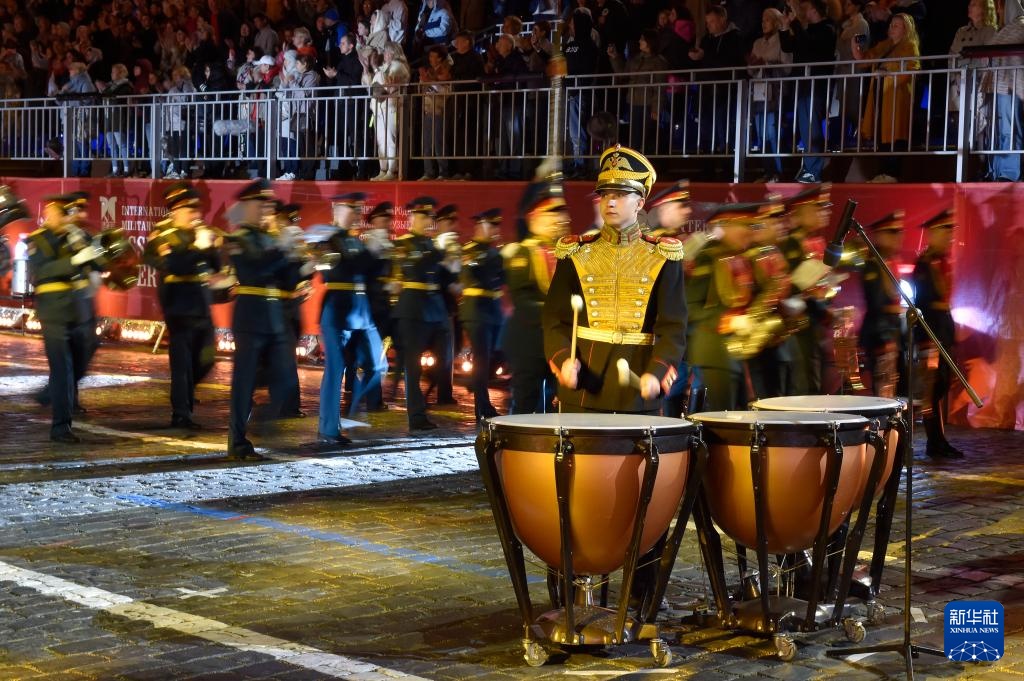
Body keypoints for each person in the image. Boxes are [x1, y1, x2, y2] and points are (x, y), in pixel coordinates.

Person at [543, 145, 687, 413]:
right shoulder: (575, 252)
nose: (609, 202)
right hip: (583, 388)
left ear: (640, 203)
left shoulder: (663, 256)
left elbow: (673, 328)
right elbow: (555, 321)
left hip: (639, 388)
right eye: (605, 194)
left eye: (620, 195)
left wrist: (657, 372)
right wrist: (564, 361)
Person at [225, 179, 302, 460]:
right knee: (244, 382)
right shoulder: (238, 239)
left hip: (274, 316)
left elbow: (286, 279)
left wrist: (301, 263)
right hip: (250, 315)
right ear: (246, 205)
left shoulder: (271, 238)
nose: (265, 209)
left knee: (285, 378)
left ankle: (262, 423)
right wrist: (282, 251)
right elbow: (254, 271)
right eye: (260, 204)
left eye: (268, 205)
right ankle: (237, 441)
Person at [143, 182, 220, 429]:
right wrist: (198, 247)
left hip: (201, 302)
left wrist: (211, 247)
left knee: (207, 358)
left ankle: (184, 392)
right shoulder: (163, 235)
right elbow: (176, 265)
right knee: (181, 363)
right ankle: (181, 414)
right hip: (178, 304)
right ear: (175, 211)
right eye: (189, 210)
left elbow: (216, 265)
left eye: (196, 210)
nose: (195, 215)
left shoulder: (200, 232)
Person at [26, 193, 102, 442]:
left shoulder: (78, 236)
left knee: (81, 361)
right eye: (62, 213)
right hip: (54, 311)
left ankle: (50, 394)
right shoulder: (39, 239)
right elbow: (41, 270)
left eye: (69, 214)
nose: (67, 218)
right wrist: (74, 259)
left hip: (79, 310)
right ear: (50, 213)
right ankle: (61, 426)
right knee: (63, 369)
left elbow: (99, 262)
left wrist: (94, 248)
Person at [685, 203, 766, 411]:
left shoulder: (742, 258)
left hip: (737, 351)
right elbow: (691, 307)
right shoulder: (707, 257)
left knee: (740, 415)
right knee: (721, 417)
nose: (750, 232)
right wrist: (729, 321)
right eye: (745, 225)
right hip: (714, 351)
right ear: (726, 226)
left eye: (752, 226)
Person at [318, 192, 386, 442]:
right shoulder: (326, 239)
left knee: (378, 365)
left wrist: (381, 255)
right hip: (337, 310)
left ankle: (352, 408)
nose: (357, 215)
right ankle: (329, 428)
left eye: (359, 210)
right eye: (352, 209)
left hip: (361, 312)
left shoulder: (356, 241)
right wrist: (370, 253)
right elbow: (338, 273)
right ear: (337, 210)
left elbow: (368, 273)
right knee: (335, 370)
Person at [502, 171, 568, 414]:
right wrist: (559, 312)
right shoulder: (523, 253)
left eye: (559, 214)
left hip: (557, 341)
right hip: (528, 340)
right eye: (550, 214)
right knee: (526, 402)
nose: (558, 220)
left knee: (556, 404)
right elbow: (522, 301)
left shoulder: (564, 252)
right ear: (534, 218)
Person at [391, 197, 456, 430]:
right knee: (413, 366)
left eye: (430, 217)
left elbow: (442, 276)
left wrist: (453, 268)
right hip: (413, 309)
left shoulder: (432, 244)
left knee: (445, 359)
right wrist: (439, 252)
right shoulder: (403, 244)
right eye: (424, 216)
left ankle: (424, 398)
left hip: (435, 308)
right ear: (412, 217)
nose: (428, 221)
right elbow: (416, 269)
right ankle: (416, 416)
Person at [913, 209, 964, 459]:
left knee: (942, 384)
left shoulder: (942, 262)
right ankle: (934, 440)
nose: (949, 238)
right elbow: (924, 302)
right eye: (945, 232)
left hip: (942, 331)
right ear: (933, 234)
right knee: (932, 389)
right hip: (931, 334)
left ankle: (938, 439)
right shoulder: (924, 264)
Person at [853, 13, 921, 182]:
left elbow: (913, 69)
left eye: (896, 25)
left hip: (896, 94)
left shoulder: (910, 46)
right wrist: (855, 46)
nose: (891, 28)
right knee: (881, 130)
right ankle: (883, 171)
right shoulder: (884, 45)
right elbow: (864, 60)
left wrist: (889, 73)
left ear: (906, 29)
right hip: (880, 91)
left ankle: (892, 172)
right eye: (891, 25)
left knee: (894, 132)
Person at [644, 181, 692, 417]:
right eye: (680, 206)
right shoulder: (653, 246)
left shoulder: (680, 241)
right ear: (663, 209)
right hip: (660, 337)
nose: (687, 211)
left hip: (681, 335)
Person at [779, 183, 833, 394]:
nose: (824, 212)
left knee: (815, 380)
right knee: (804, 384)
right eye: (817, 208)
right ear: (800, 214)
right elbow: (790, 289)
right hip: (798, 325)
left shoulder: (816, 242)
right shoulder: (791, 245)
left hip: (815, 322)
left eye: (825, 208)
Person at [779, 0, 837, 184]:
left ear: (815, 10)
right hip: (803, 83)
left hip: (816, 83)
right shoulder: (807, 30)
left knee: (812, 126)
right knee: (805, 127)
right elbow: (788, 46)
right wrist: (785, 27)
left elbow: (810, 45)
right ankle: (810, 166)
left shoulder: (828, 29)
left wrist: (796, 23)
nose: (804, 12)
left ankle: (814, 170)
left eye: (806, 9)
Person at [460, 208, 506, 421]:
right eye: (491, 226)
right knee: (481, 360)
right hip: (476, 311)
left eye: (497, 226)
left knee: (493, 358)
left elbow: (502, 278)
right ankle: (482, 407)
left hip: (494, 311)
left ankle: (476, 389)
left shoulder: (495, 253)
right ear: (480, 226)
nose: (495, 230)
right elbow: (482, 276)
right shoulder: (471, 250)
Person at [859, 210, 905, 398]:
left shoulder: (891, 262)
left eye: (899, 233)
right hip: (880, 332)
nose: (898, 237)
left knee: (892, 387)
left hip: (893, 331)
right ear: (879, 236)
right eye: (892, 233)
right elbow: (876, 303)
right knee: (884, 388)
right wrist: (887, 338)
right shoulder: (873, 264)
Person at [275, 201, 311, 418]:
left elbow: (301, 274)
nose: (293, 225)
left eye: (295, 220)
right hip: (272, 305)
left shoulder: (295, 243)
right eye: (288, 220)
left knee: (288, 357)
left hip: (290, 306)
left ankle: (289, 405)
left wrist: (308, 265)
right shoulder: (272, 240)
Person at [749, 8, 791, 182]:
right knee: (760, 133)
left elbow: (787, 67)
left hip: (775, 91)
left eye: (767, 20)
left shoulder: (782, 41)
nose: (763, 23)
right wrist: (753, 65)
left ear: (776, 22)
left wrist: (766, 63)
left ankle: (777, 172)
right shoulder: (757, 43)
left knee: (772, 132)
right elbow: (750, 70)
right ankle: (767, 171)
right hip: (759, 91)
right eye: (762, 20)